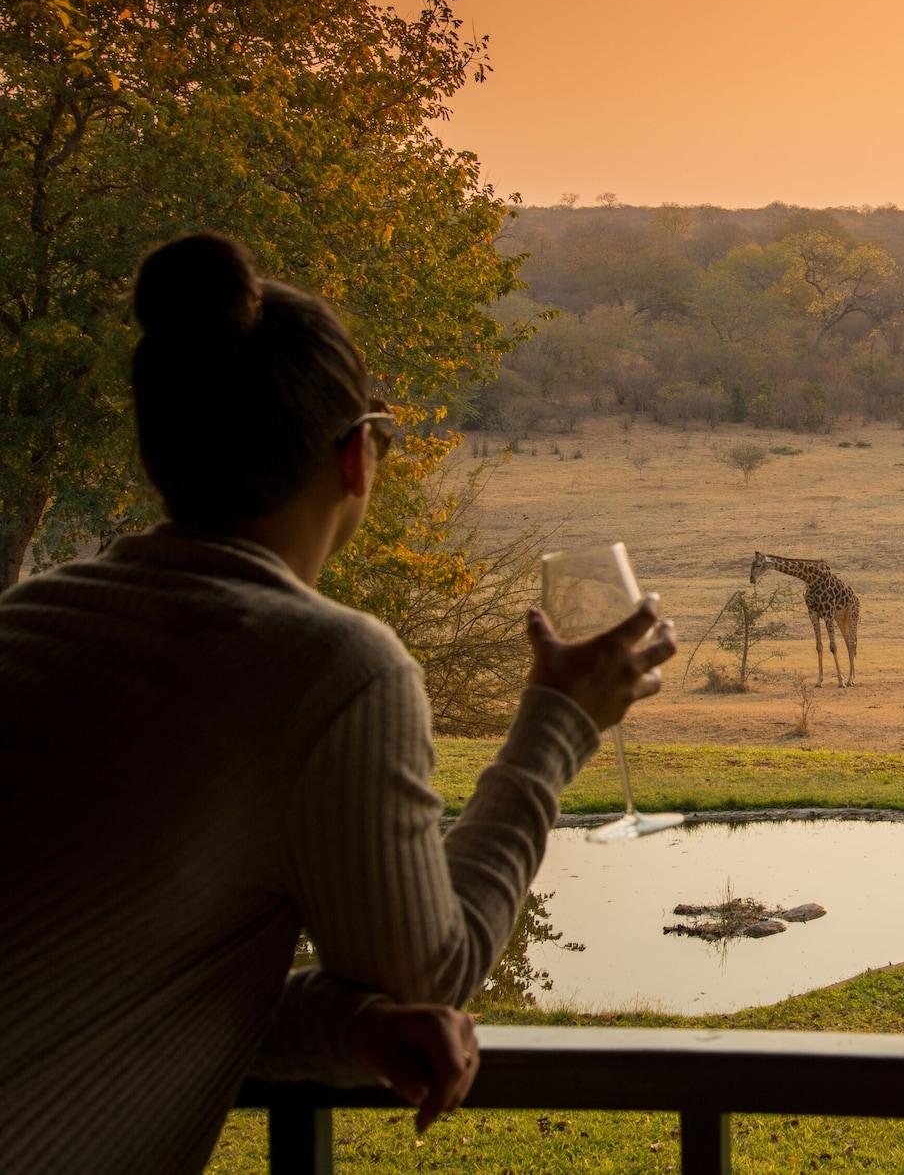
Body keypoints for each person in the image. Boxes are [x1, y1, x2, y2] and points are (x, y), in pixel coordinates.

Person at [0, 233, 676, 1172]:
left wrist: (344, 1027)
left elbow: (105, 988)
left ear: (158, 456)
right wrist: (557, 725)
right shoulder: (328, 668)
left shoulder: (28, 622)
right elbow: (429, 973)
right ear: (359, 459)